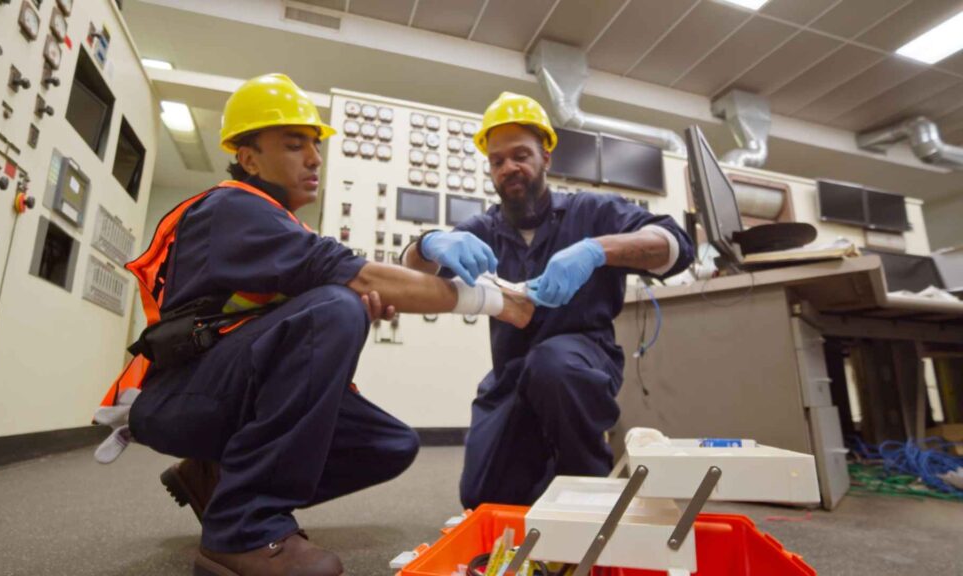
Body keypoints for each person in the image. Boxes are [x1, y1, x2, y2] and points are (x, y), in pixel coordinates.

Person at [97, 74, 533, 576]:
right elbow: (365, 277)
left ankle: (216, 480)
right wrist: (498, 302)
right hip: (182, 396)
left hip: (222, 389)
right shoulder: (234, 206)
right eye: (293, 144)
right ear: (249, 157)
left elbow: (345, 294)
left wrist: (359, 300)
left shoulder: (280, 224)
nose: (313, 158)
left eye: (314, 146)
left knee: (387, 445)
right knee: (338, 305)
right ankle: (244, 527)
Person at [401, 92, 695, 509]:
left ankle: (591, 491)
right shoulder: (483, 227)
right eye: (497, 160)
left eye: (521, 155)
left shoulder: (592, 211)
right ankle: (543, 476)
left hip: (581, 361)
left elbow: (674, 246)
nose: (509, 168)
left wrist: (597, 249)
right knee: (482, 500)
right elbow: (411, 274)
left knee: (554, 365)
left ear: (546, 159)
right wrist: (429, 243)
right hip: (510, 376)